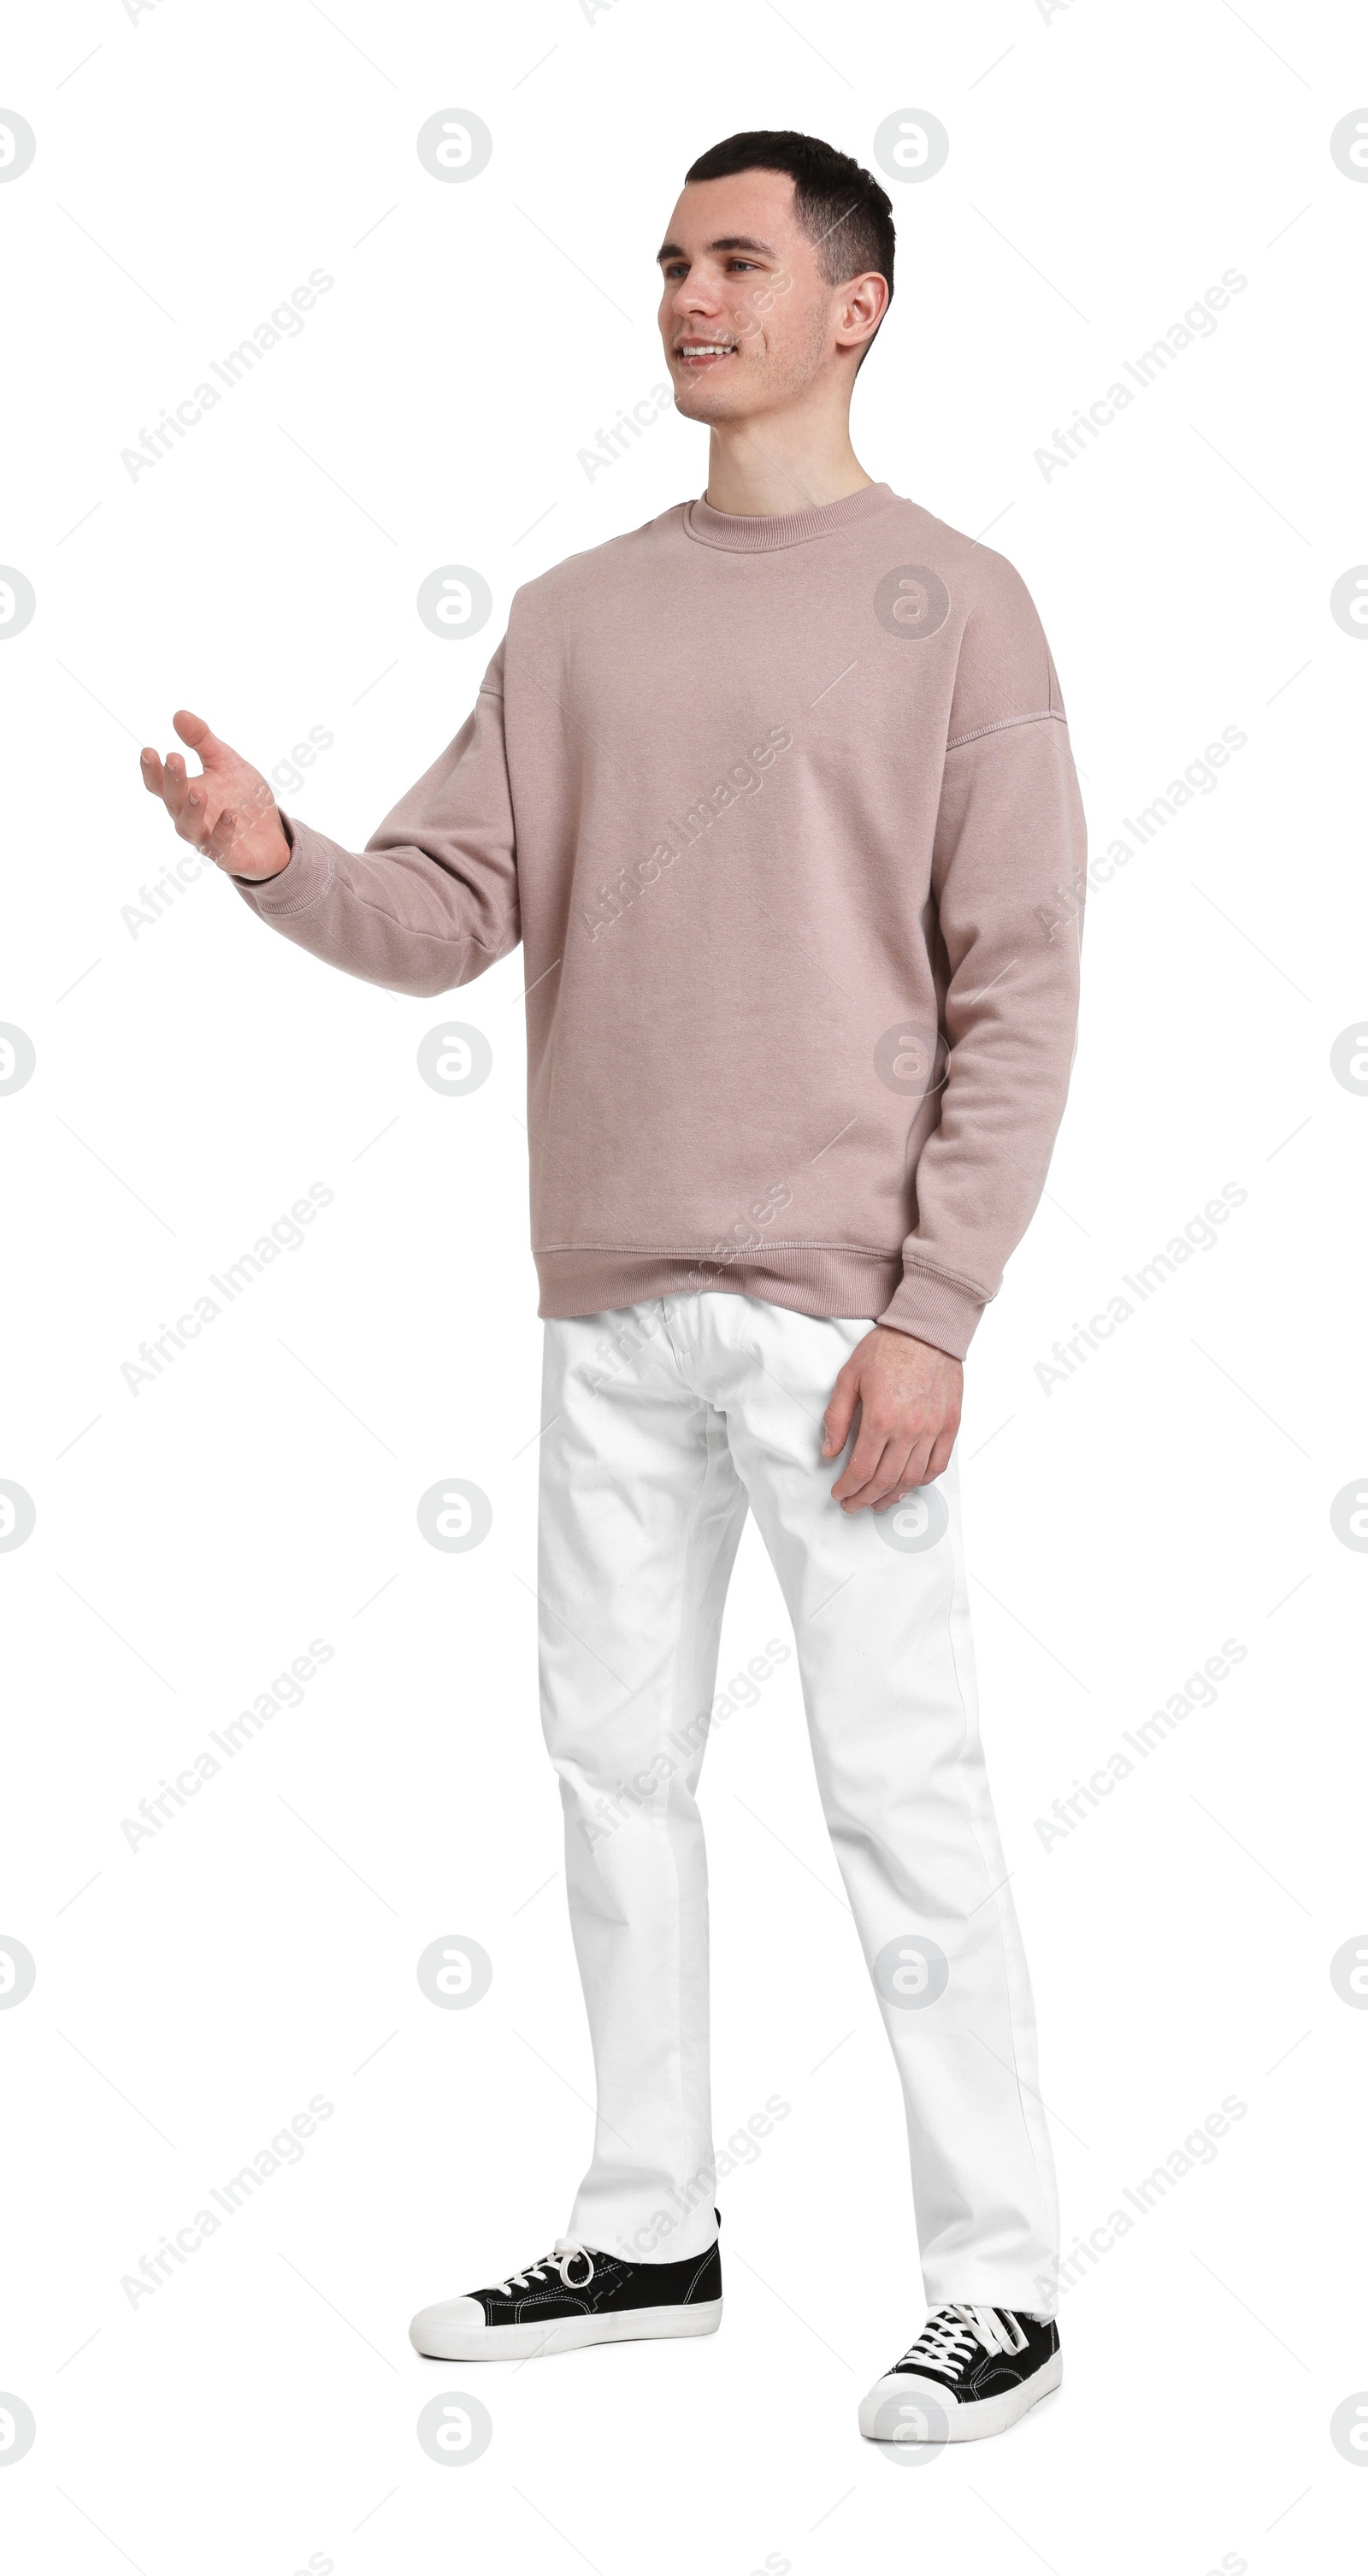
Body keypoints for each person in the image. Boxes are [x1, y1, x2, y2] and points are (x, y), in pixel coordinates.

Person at [138, 128, 1084, 2446]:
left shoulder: (959, 607)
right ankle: (651, 2215)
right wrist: (279, 862)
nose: (685, 293)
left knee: (899, 1788)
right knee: (611, 1775)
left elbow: (1023, 984)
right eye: (668, 259)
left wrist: (938, 1306)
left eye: (735, 260)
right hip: (604, 1310)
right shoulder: (570, 617)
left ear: (854, 305)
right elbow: (446, 908)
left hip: (841, 1323)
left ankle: (1001, 2274)